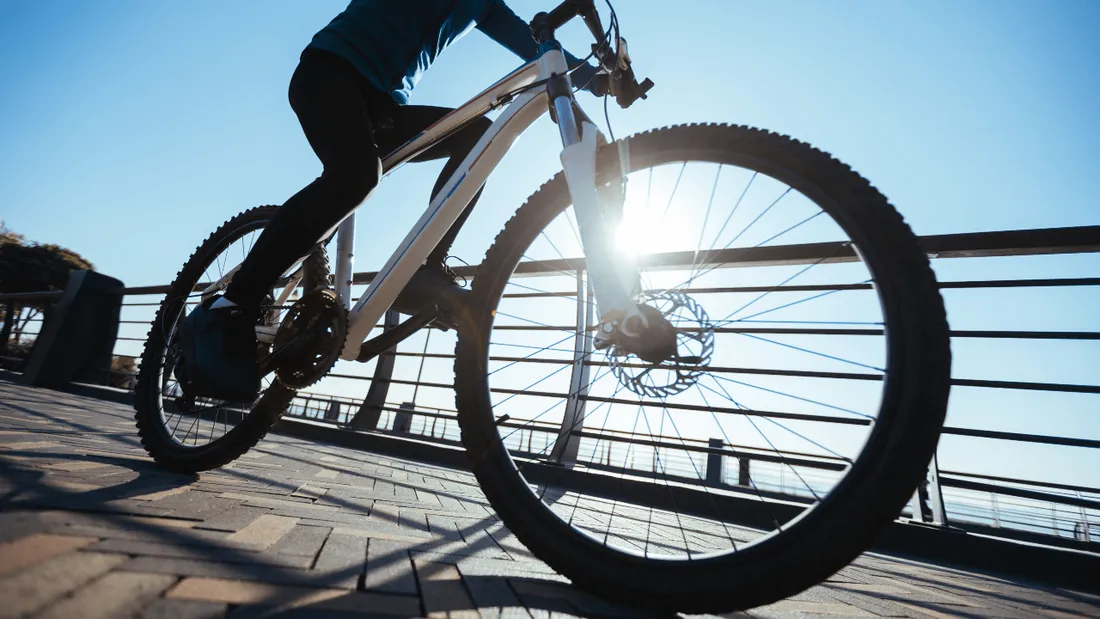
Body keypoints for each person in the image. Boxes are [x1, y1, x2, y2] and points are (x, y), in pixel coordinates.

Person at [178, 0, 602, 401]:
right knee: (357, 175)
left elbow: (538, 51)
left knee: (476, 136)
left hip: (382, 108)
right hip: (330, 72)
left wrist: (597, 77)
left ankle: (426, 269)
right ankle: (234, 302)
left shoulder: (484, 3)